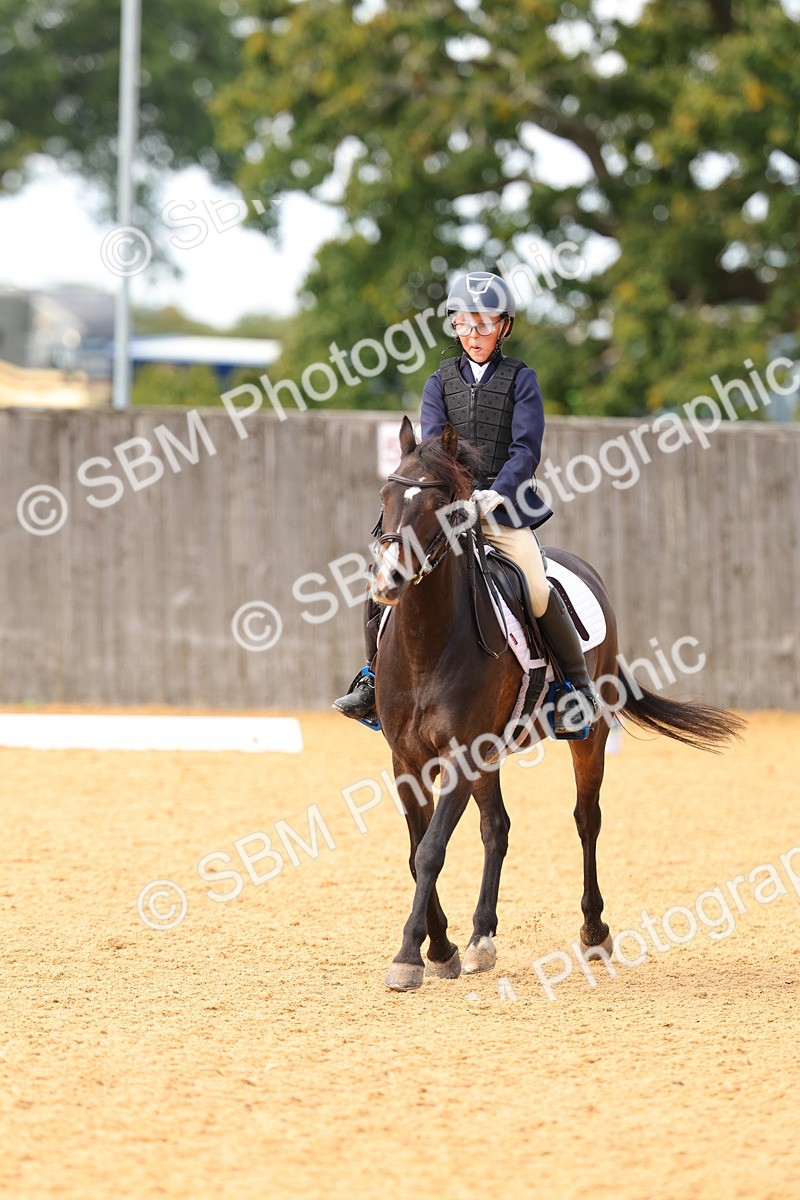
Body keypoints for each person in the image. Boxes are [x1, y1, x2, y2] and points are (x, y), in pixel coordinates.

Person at [333, 270, 599, 737]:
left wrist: (497, 490)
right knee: (387, 574)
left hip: (503, 509)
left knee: (536, 586)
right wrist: (454, 495)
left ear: (504, 327)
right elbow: (434, 446)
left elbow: (526, 448)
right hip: (445, 509)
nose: (473, 335)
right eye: (463, 325)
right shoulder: (439, 383)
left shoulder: (521, 379)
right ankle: (372, 677)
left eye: (484, 324)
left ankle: (574, 691)